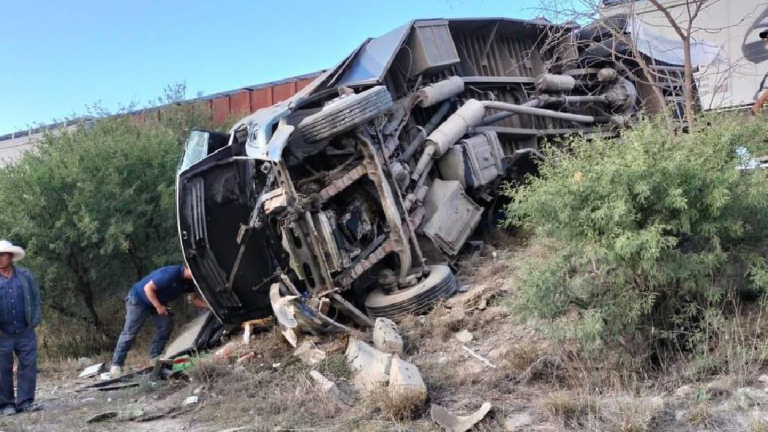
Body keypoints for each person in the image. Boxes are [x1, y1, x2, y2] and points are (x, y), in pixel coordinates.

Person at [110, 265, 208, 377]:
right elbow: (148, 288)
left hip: (156, 302)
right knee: (130, 332)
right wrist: (158, 306)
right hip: (138, 299)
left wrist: (210, 306)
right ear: (189, 268)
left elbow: (193, 300)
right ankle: (116, 365)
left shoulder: (189, 282)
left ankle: (154, 357)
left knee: (166, 324)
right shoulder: (172, 273)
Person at [0, 240, 41, 416]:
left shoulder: (25, 275)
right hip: (2, 333)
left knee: (28, 366)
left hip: (25, 329)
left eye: (2, 255)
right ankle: (6, 405)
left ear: (11, 256)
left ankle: (25, 402)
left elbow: (36, 297)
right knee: (2, 369)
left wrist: (34, 321)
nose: (0, 259)